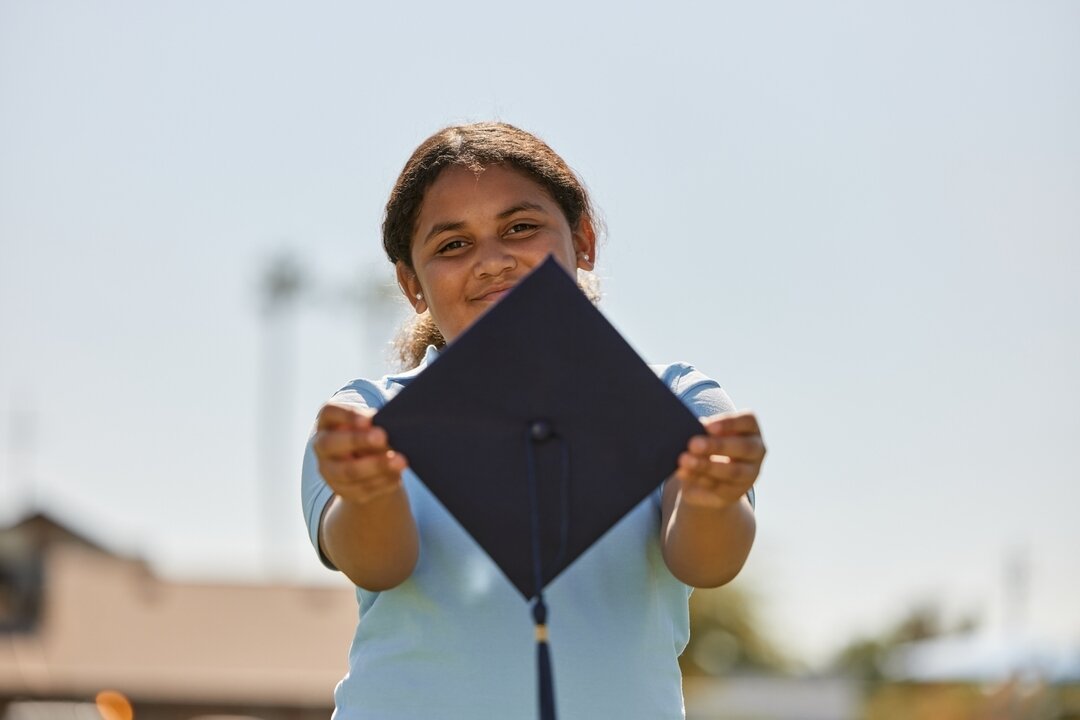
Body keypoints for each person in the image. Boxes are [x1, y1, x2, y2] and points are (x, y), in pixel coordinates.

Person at [301, 122, 765, 720]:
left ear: (584, 239)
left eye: (520, 228)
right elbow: (379, 563)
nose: (492, 261)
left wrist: (708, 498)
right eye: (452, 245)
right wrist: (370, 492)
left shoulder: (676, 397)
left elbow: (707, 562)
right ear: (412, 284)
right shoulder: (366, 417)